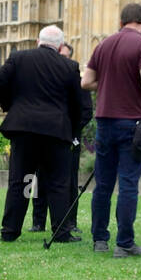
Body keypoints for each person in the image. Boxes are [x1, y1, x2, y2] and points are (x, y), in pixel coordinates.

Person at [81, 3, 141, 256]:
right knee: (128, 183)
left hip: (104, 122)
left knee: (103, 185)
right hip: (131, 123)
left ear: (121, 22)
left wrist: (110, 82)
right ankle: (124, 243)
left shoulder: (104, 45)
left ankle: (99, 239)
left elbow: (86, 81)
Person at [0, 24, 86, 242]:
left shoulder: (19, 58)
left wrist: (11, 105)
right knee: (58, 182)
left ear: (38, 41)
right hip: (56, 131)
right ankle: (61, 232)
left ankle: (10, 230)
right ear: (60, 46)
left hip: (23, 128)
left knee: (21, 180)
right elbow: (78, 104)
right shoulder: (69, 66)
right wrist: (70, 128)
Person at [37, 41, 93, 237]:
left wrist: (71, 130)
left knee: (69, 181)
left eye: (65, 57)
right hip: (46, 135)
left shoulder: (77, 81)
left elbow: (86, 111)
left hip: (69, 137)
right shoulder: (45, 80)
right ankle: (38, 222)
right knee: (40, 179)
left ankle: (70, 222)